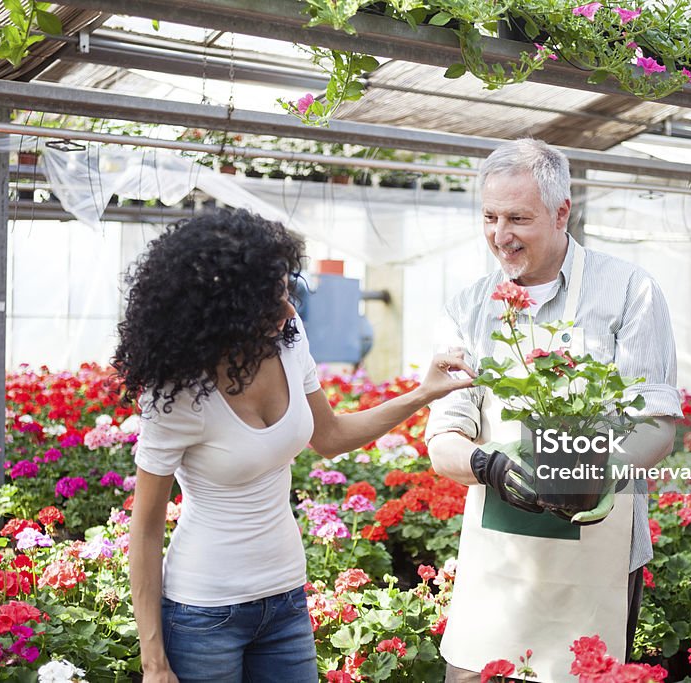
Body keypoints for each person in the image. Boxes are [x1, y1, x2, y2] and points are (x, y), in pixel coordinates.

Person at [113, 208, 474, 683]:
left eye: (286, 291)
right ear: (221, 307)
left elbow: (330, 437)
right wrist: (154, 662)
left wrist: (422, 394)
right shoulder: (176, 394)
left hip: (285, 601)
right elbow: (145, 529)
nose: (287, 311)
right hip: (204, 613)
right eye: (268, 301)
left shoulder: (287, 339)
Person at [425, 138, 682, 682]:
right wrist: (489, 466)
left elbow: (657, 424)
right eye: (490, 217)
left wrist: (591, 473)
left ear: (563, 211)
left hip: (598, 544)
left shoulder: (629, 293)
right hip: (499, 550)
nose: (500, 235)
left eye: (518, 218)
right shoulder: (469, 306)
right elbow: (444, 437)